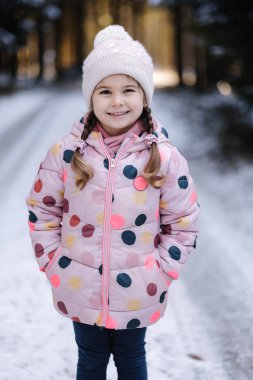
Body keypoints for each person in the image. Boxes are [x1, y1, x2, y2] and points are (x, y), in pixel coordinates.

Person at [26, 25, 199, 380]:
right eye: (104, 91)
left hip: (139, 288)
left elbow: (183, 220)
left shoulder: (164, 157)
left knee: (132, 361)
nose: (117, 101)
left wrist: (163, 269)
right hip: (79, 284)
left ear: (144, 95)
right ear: (91, 98)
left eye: (128, 90)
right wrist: (54, 262)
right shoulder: (67, 153)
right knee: (89, 360)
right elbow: (42, 209)